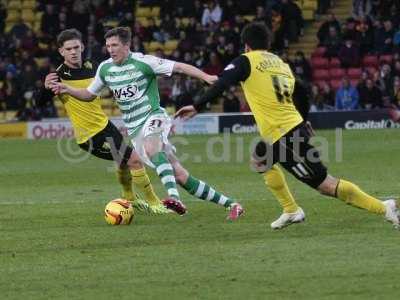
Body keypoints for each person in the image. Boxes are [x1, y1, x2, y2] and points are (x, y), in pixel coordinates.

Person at [175, 22, 399, 229]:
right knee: (260, 159)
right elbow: (301, 92)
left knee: (325, 185)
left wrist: (197, 106)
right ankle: (291, 210)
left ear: (246, 44)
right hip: (286, 131)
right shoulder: (280, 64)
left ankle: (383, 207)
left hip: (286, 136)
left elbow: (222, 83)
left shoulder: (246, 61)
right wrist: (302, 120)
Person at [48, 27, 243, 220]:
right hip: (134, 129)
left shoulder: (144, 62)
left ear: (126, 45)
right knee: (181, 176)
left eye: (115, 45)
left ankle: (174, 199)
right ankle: (232, 204)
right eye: (108, 46)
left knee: (152, 147)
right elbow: (88, 95)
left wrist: (206, 77)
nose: (111, 49)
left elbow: (180, 67)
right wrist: (67, 89)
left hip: (153, 116)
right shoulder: (105, 68)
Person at [44, 29, 166, 214]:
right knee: (133, 159)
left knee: (124, 162)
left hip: (106, 126)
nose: (73, 52)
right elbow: (39, 102)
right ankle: (155, 203)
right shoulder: (57, 76)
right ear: (61, 52)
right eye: (68, 49)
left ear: (82, 47)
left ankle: (129, 198)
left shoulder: (95, 68)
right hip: (89, 137)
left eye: (76, 47)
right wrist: (44, 88)